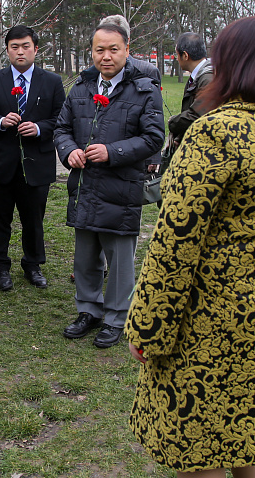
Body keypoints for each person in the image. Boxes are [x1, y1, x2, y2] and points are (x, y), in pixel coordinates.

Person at [125, 15, 255, 478]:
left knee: (201, 447)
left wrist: (149, 327)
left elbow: (176, 242)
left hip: (214, 316)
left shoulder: (218, 132)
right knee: (248, 435)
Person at [53, 18, 165, 349]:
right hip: (86, 186)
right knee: (85, 255)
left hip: (122, 186)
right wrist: (69, 150)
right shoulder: (82, 89)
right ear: (91, 52)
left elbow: (154, 137)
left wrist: (112, 151)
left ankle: (117, 317)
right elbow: (61, 128)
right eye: (99, 50)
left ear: (127, 50)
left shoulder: (145, 89)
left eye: (113, 50)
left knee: (119, 260)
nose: (106, 56)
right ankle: (88, 310)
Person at [0, 25, 66, 291]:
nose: (20, 51)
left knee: (33, 219)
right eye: (14, 47)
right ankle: (0, 266)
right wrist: (1, 121)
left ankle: (33, 264)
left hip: (37, 162)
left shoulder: (52, 81)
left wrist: (38, 128)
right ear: (7, 50)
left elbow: (60, 118)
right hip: (1, 162)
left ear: (35, 49)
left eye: (26, 46)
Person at [164, 32, 214, 167]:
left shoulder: (208, 78)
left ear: (185, 55)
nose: (176, 58)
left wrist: (173, 122)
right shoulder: (198, 76)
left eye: (176, 54)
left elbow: (197, 115)